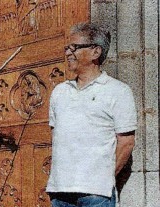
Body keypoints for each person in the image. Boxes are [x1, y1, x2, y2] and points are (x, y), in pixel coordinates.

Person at [47, 22, 137, 207]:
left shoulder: (118, 91)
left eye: (74, 47)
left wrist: (103, 179)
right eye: (67, 48)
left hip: (96, 194)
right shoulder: (59, 92)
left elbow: (126, 142)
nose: (67, 53)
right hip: (60, 191)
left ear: (96, 52)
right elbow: (56, 135)